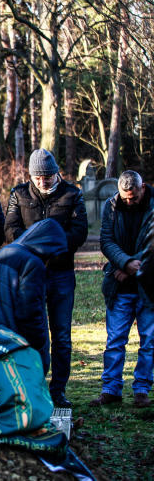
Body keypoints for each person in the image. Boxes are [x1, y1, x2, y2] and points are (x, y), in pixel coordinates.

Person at [5, 148, 88, 408]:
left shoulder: (72, 194)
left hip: (61, 273)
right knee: (32, 331)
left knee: (61, 334)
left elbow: (79, 232)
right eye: (38, 177)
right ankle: (34, 386)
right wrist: (32, 248)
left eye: (48, 176)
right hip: (30, 274)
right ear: (31, 175)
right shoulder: (18, 194)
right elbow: (10, 228)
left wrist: (53, 247)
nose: (43, 181)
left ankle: (59, 389)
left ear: (56, 173)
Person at [90, 171, 154, 408]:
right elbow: (106, 241)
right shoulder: (111, 206)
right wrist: (125, 263)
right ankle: (111, 388)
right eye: (125, 197)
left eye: (134, 197)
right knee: (115, 339)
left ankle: (142, 389)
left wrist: (128, 266)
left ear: (143, 188)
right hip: (120, 285)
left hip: (149, 284)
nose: (129, 201)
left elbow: (152, 246)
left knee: (149, 340)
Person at [0, 219, 68, 370]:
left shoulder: (0, 254)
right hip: (15, 343)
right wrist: (39, 348)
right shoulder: (33, 263)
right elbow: (30, 312)